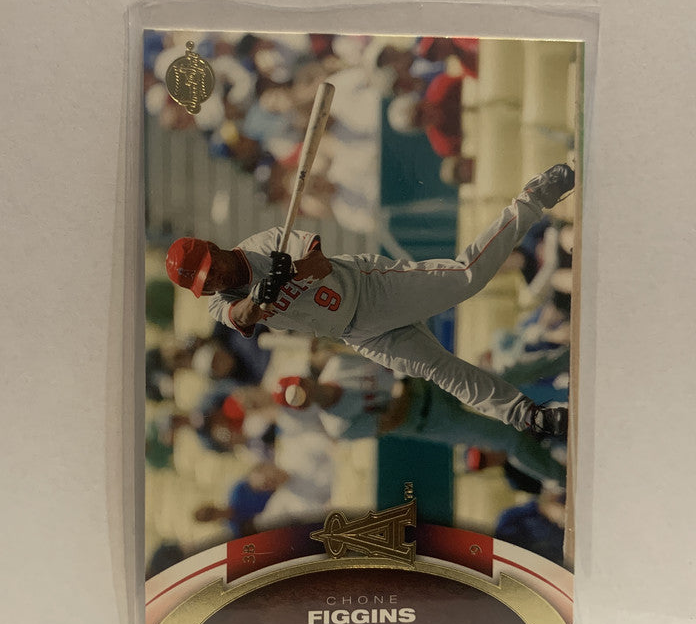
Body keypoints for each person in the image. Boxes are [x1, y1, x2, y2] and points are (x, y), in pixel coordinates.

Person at [164, 164, 575, 436]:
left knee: (465, 276)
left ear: (213, 248)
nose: (213, 280)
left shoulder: (264, 244)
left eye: (210, 269)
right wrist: (261, 295)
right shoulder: (219, 302)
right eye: (204, 282)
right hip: (358, 333)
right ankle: (527, 414)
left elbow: (320, 263)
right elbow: (243, 315)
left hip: (370, 288)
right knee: (440, 369)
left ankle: (533, 198)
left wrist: (290, 271)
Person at [272, 352, 566, 487]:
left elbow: (384, 359)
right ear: (303, 407)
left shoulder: (337, 365)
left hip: (431, 381)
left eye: (301, 386)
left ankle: (569, 357)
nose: (307, 391)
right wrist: (401, 389)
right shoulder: (336, 425)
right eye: (300, 398)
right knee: (509, 439)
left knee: (508, 373)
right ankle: (567, 481)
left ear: (304, 379)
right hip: (430, 419)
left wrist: (400, 388)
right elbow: (390, 422)